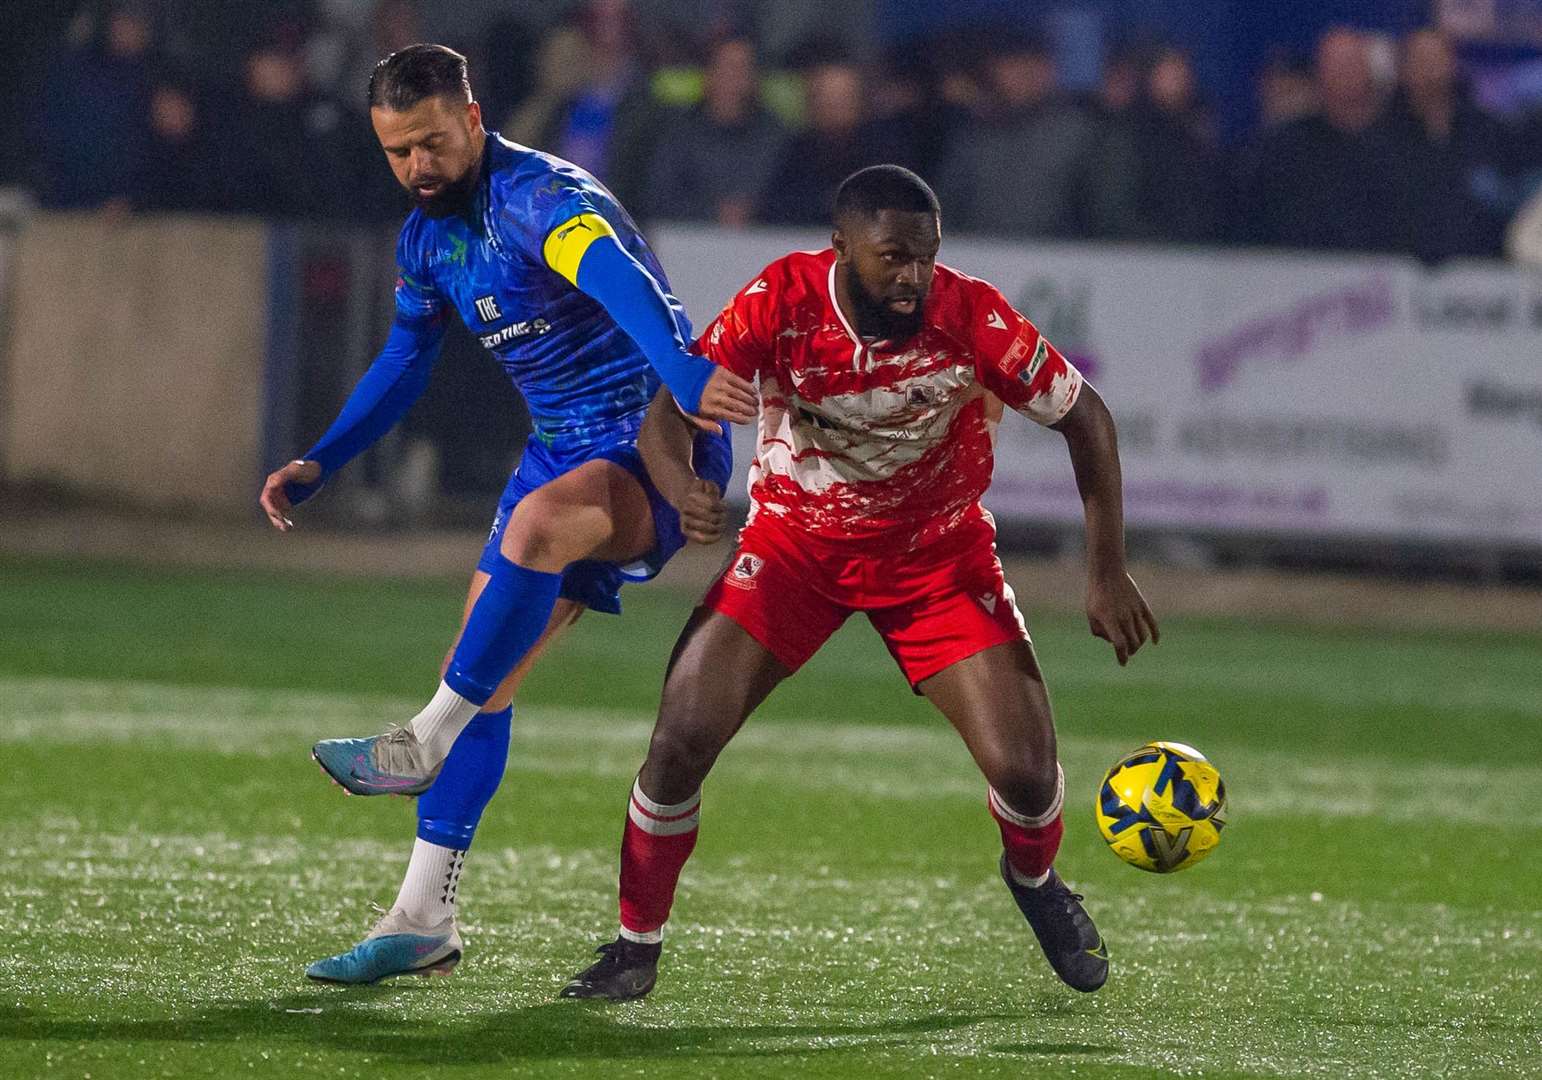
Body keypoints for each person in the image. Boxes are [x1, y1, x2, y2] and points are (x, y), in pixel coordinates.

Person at [561, 165, 1159, 1002]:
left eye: (925, 257)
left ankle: (1034, 881)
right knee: (678, 741)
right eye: (893, 259)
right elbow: (670, 412)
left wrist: (1106, 571)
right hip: (793, 549)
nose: (914, 276)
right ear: (841, 247)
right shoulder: (778, 300)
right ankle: (634, 947)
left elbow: (1085, 415)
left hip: (935, 558)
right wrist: (680, 489)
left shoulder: (971, 314)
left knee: (1026, 775)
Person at [257, 44, 755, 984]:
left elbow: (618, 279)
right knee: (483, 666)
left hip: (650, 443)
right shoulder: (425, 238)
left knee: (530, 535)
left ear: (475, 120)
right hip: (559, 450)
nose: (418, 168)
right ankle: (423, 918)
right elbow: (404, 362)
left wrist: (686, 369)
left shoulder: (541, 200)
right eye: (399, 152)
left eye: (434, 144)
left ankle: (421, 739)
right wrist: (325, 458)